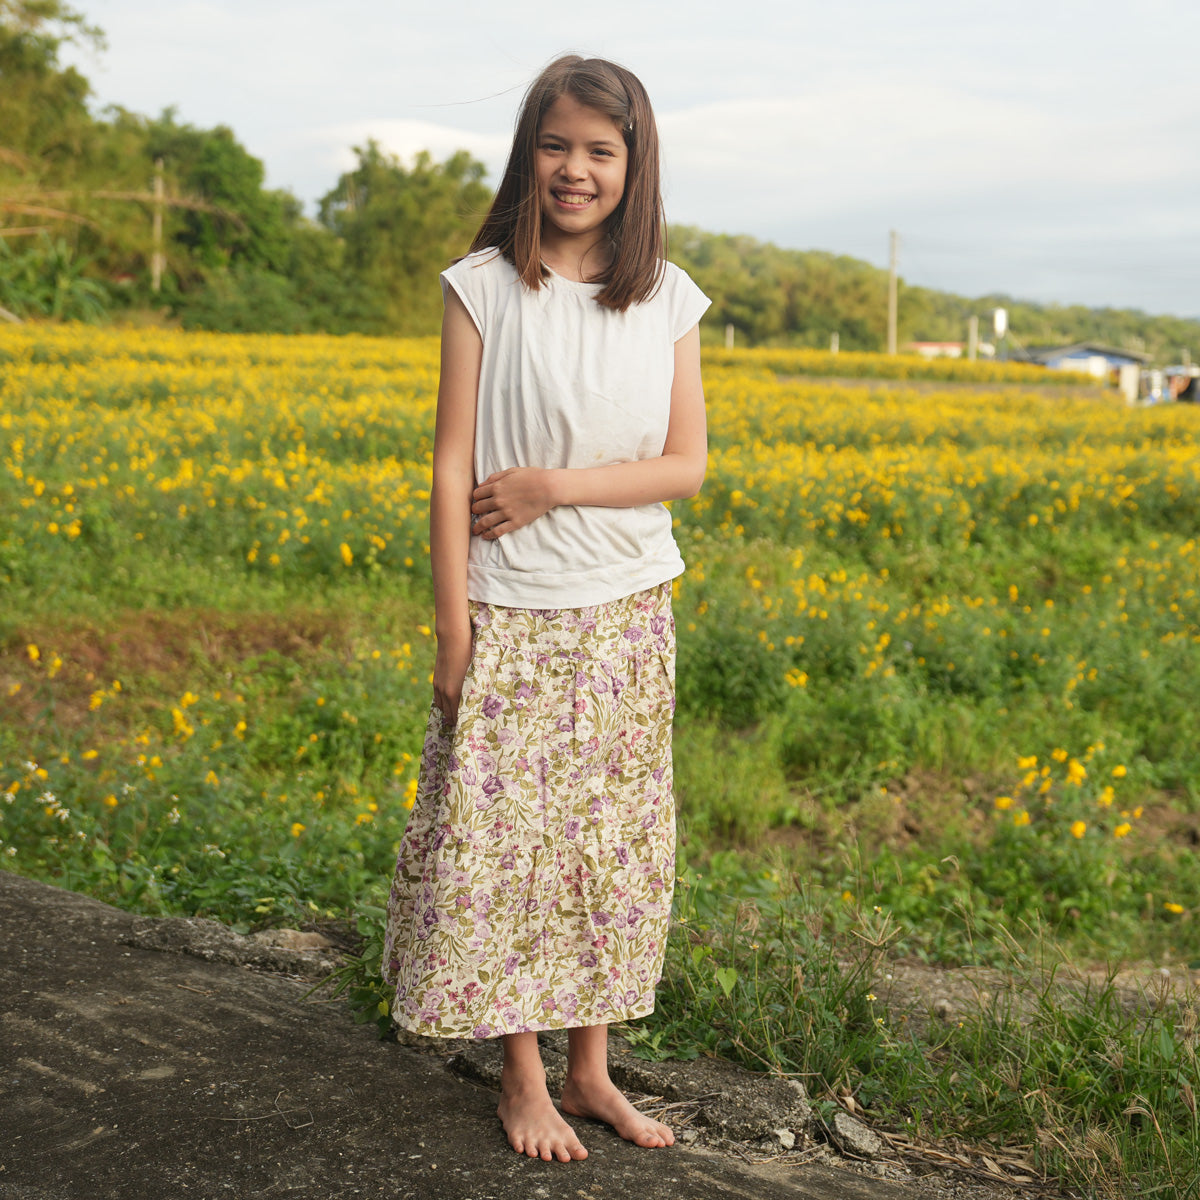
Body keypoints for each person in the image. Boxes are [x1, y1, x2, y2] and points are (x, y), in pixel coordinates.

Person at [380, 54, 710, 1164]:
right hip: (510, 611)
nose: (576, 170)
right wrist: (451, 628)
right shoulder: (481, 283)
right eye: (556, 145)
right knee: (506, 850)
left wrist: (552, 488)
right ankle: (522, 1074)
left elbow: (685, 468)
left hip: (627, 609)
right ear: (529, 154)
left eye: (601, 151)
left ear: (634, 165)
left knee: (605, 848)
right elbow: (447, 465)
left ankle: (591, 1070)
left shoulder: (667, 296)